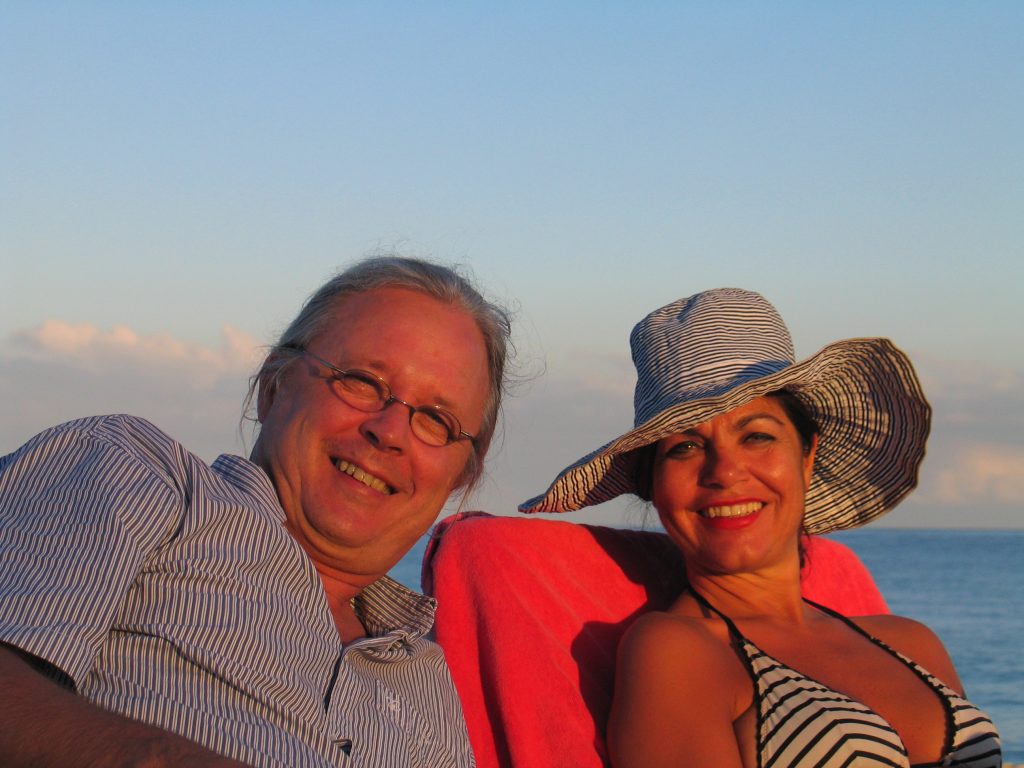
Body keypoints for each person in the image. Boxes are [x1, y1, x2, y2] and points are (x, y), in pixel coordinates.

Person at [0, 256, 512, 768]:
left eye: (437, 421)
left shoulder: (426, 683)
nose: (390, 431)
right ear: (273, 387)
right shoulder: (139, 475)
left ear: (462, 474)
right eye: (361, 381)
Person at [520, 288, 1001, 767]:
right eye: (685, 447)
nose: (725, 472)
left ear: (807, 457)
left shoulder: (913, 643)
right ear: (653, 486)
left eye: (756, 436)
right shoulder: (679, 653)